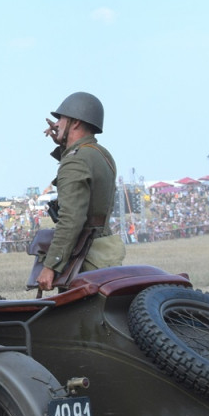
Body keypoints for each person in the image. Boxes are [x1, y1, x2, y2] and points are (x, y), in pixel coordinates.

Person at [36, 91, 125, 291]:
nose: (56, 124)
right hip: (103, 252)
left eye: (61, 119)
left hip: (83, 259)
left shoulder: (75, 160)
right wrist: (64, 145)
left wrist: (51, 265)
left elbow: (71, 219)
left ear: (75, 123)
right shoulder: (101, 154)